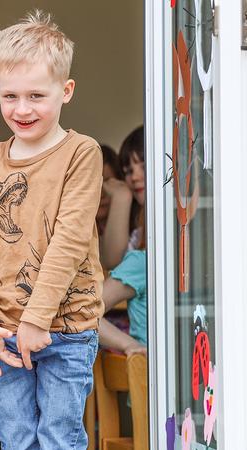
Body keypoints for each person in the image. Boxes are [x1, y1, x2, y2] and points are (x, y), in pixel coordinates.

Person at [0, 10, 104, 449]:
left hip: (66, 329)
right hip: (3, 331)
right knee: (15, 437)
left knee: (59, 436)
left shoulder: (81, 153)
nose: (22, 110)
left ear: (67, 90)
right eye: (12, 96)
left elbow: (70, 242)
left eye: (37, 95)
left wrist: (37, 320)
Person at [98, 126, 149, 356]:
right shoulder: (139, 254)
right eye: (128, 170)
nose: (135, 176)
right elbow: (115, 261)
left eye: (144, 166)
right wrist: (122, 196)